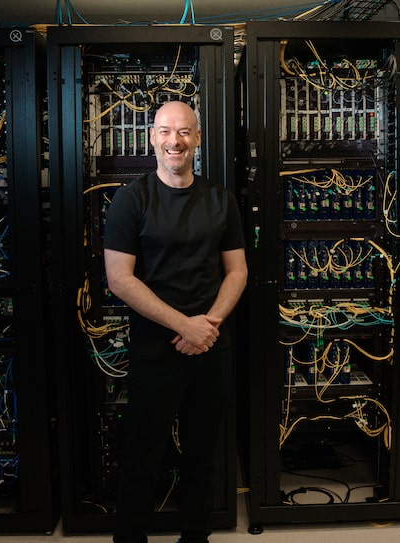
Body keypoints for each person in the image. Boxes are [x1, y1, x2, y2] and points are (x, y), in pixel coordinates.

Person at [103, 100, 247, 543]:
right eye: (165, 131)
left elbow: (237, 271)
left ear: (197, 139)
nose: (174, 141)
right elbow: (119, 280)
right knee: (143, 454)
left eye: (184, 132)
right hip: (155, 350)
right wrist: (185, 326)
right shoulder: (131, 199)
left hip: (210, 346)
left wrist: (208, 324)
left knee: (203, 455)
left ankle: (195, 536)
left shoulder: (220, 199)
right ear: (152, 137)